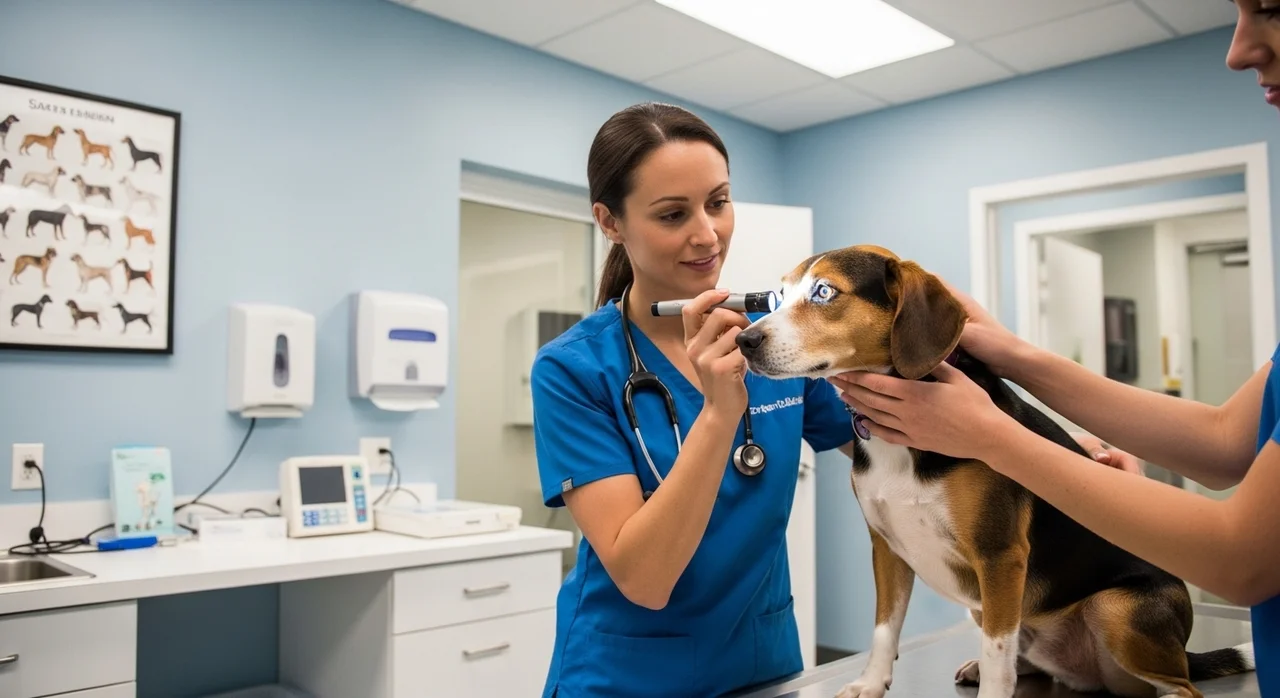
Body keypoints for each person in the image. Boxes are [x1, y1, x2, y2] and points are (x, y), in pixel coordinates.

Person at [530, 102, 1127, 698]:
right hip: (627, 677)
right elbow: (645, 578)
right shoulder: (572, 371)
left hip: (764, 664)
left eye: (718, 202)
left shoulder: (784, 342)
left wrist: (1072, 452)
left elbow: (919, 430)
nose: (707, 234)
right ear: (610, 222)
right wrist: (718, 414)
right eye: (671, 214)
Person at [830, 6, 1280, 695]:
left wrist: (992, 435)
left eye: (1271, 10)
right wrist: (1010, 354)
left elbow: (1247, 560)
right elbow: (1225, 440)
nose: (1238, 51)